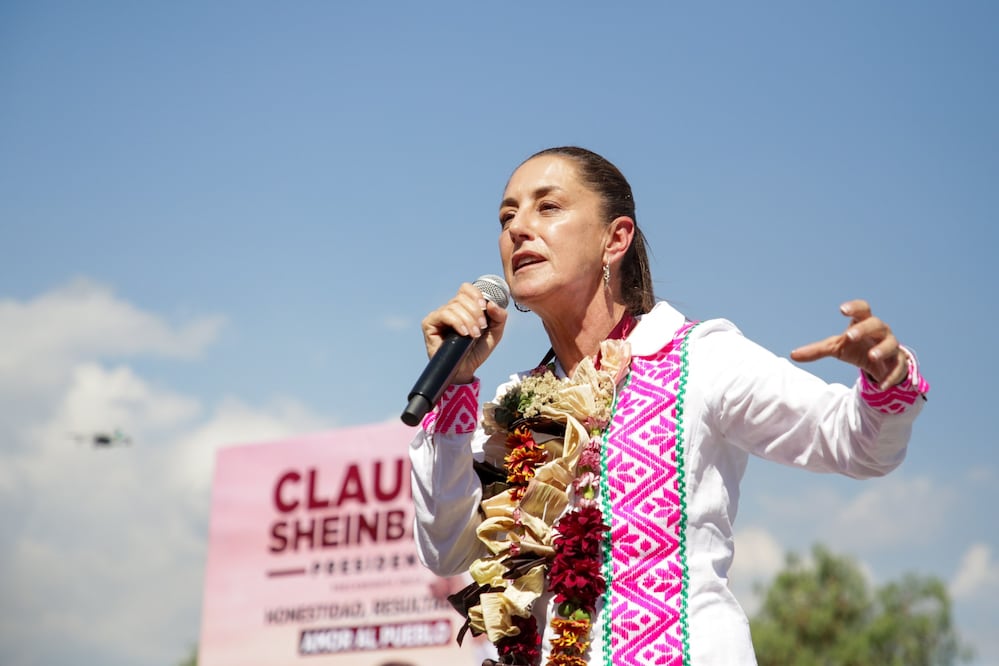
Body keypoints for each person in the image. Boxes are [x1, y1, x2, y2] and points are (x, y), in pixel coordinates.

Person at [406, 146, 928, 666]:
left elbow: (859, 445)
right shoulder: (515, 407)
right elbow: (447, 548)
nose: (519, 227)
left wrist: (887, 377)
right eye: (507, 215)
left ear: (616, 239)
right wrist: (454, 386)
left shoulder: (699, 357)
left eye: (548, 207)